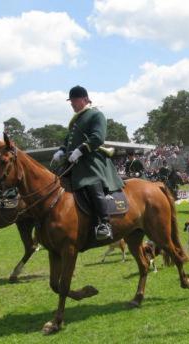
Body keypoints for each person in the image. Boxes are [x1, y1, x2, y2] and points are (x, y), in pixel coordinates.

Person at [51, 85, 124, 240]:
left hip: (91, 161)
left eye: (74, 101)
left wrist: (80, 150)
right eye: (70, 101)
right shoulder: (76, 119)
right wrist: (62, 150)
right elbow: (68, 141)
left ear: (85, 99)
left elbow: (98, 138)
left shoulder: (96, 115)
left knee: (91, 183)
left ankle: (104, 224)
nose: (72, 104)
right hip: (74, 163)